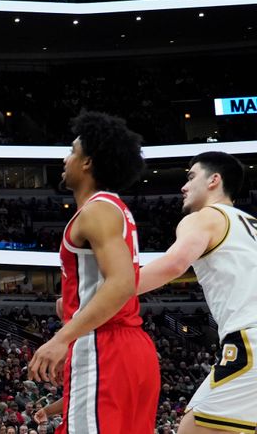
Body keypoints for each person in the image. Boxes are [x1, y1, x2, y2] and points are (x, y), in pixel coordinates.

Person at [27, 112, 159, 432]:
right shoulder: (115, 209)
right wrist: (70, 304)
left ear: (87, 163)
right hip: (131, 350)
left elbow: (123, 282)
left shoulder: (96, 210)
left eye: (72, 151)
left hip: (104, 346)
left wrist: (63, 337)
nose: (66, 157)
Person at [137, 151, 257, 434]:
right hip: (244, 340)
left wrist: (101, 294)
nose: (184, 186)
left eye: (191, 177)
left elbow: (173, 264)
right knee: (190, 423)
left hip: (249, 338)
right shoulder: (249, 225)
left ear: (214, 180)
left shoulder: (204, 217)